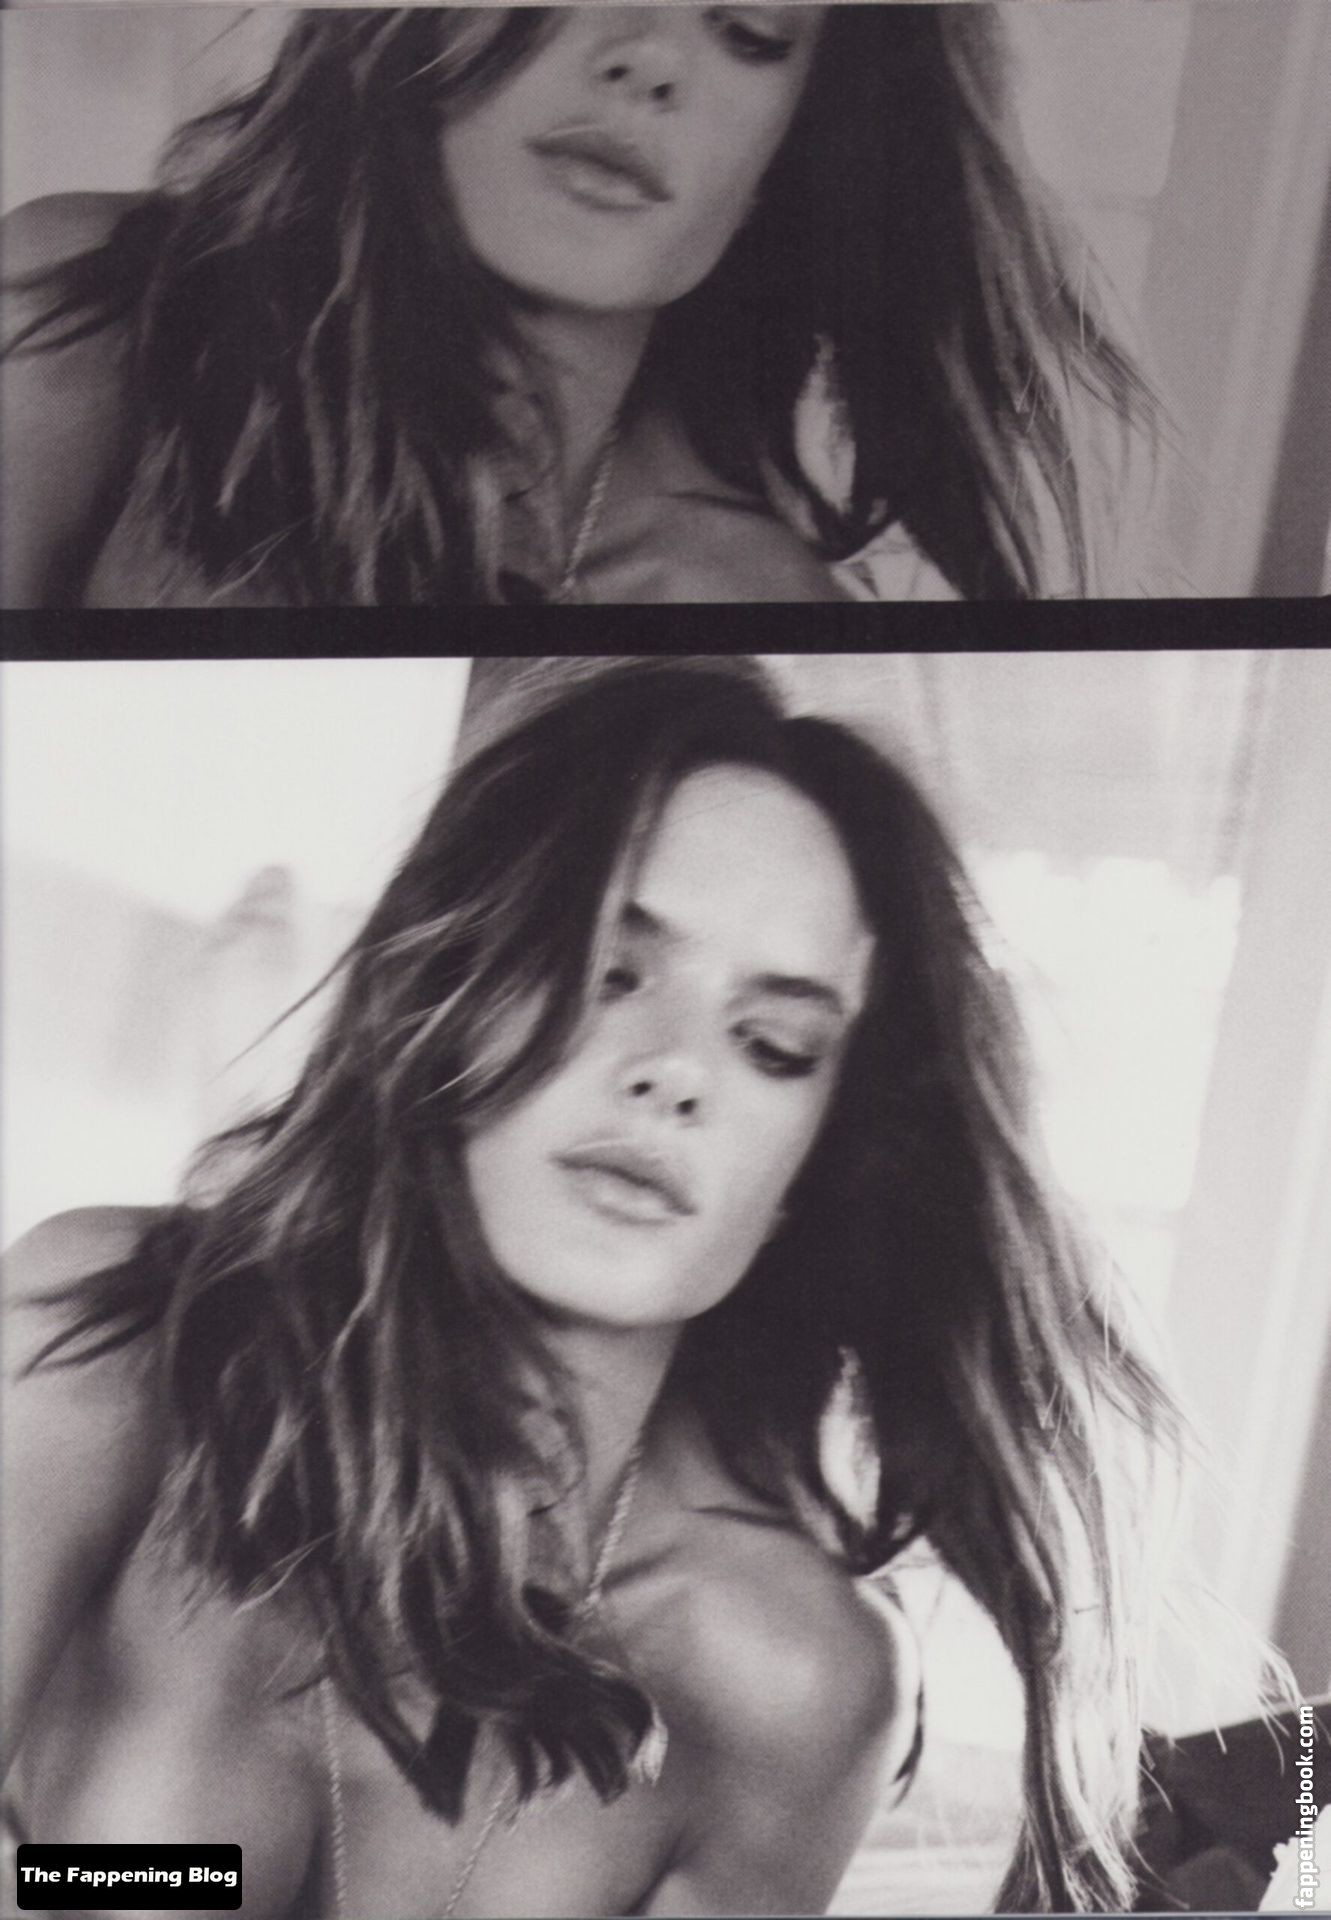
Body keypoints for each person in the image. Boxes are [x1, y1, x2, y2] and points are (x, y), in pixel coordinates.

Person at [3, 657, 1181, 1916]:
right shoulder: (112, 1352)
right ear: (451, 994)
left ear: (810, 1164)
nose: (673, 1071)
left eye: (771, 1045)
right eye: (608, 973)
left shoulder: (786, 1679)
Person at [1, 7, 1149, 609]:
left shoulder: (750, 601)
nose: (647, 58)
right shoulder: (87, 314)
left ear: (785, 157)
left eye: (745, 30)